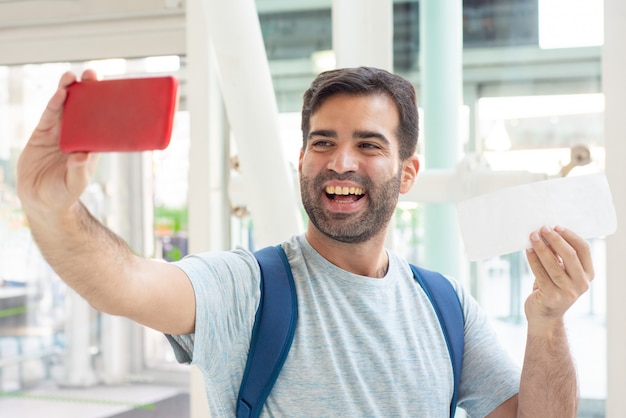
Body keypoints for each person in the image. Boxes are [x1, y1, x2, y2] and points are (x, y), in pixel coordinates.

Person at [16, 66, 593, 417]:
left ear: (407, 173)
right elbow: (125, 283)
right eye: (323, 143)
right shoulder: (247, 289)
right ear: (301, 160)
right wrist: (53, 210)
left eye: (369, 144)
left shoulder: (448, 309)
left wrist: (547, 323)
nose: (340, 162)